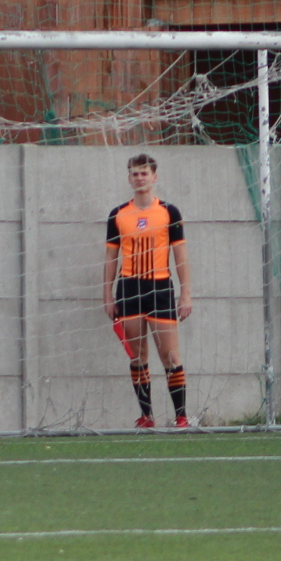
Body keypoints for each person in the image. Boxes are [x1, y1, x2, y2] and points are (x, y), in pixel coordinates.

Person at [104, 154, 194, 429]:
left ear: (154, 177)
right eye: (135, 173)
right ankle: (147, 416)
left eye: (144, 173)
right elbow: (110, 258)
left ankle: (181, 416)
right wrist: (107, 295)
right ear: (129, 178)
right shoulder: (118, 214)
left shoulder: (169, 212)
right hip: (129, 288)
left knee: (170, 356)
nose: (139, 178)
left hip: (160, 287)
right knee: (138, 355)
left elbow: (180, 256)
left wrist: (186, 293)